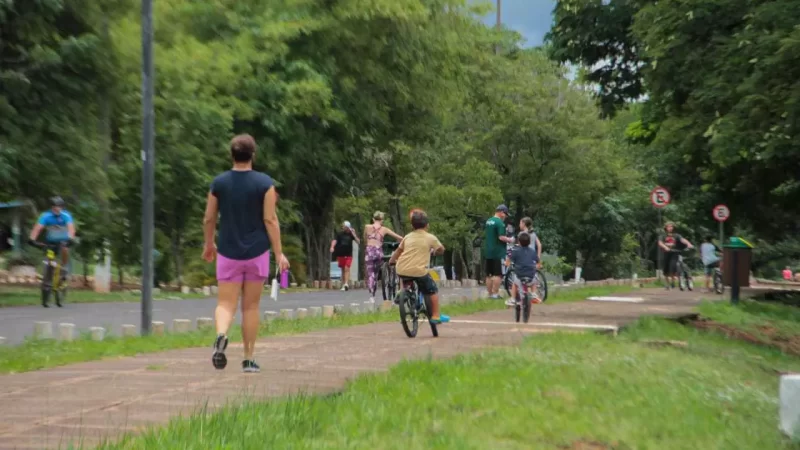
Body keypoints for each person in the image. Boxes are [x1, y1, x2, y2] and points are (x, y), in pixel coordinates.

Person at [202, 134, 290, 374]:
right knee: (250, 307)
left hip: (228, 252)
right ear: (253, 155)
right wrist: (279, 253)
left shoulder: (219, 183)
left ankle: (221, 335)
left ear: (232, 155)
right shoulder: (264, 184)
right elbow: (270, 220)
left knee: (225, 304)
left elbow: (209, 217)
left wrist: (209, 244)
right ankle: (249, 359)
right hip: (256, 253)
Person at [388, 209, 449, 324]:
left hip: (402, 268)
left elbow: (398, 251)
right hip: (419, 271)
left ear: (412, 226)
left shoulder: (407, 237)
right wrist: (436, 252)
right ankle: (436, 315)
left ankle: (402, 292)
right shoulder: (430, 237)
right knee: (432, 290)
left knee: (405, 275)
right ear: (427, 225)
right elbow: (441, 249)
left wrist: (391, 261)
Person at [28, 196, 76, 307]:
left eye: (59, 207)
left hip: (63, 242)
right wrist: (32, 239)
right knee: (49, 264)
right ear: (52, 207)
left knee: (64, 248)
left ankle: (64, 269)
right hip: (51, 243)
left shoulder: (66, 216)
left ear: (62, 207)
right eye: (54, 206)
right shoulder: (46, 216)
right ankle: (46, 290)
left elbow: (71, 229)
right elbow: (37, 228)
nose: (56, 209)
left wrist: (70, 239)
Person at [364, 211, 403, 302]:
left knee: (371, 273)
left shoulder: (367, 227)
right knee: (377, 272)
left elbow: (365, 239)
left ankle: (372, 295)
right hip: (378, 251)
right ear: (382, 220)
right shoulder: (384, 229)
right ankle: (381, 276)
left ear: (373, 219)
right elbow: (398, 237)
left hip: (369, 251)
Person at [505, 217, 543, 307]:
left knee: (515, 282)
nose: (519, 225)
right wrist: (538, 258)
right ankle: (533, 293)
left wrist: (508, 260)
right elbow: (539, 245)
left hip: (521, 259)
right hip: (532, 260)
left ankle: (513, 299)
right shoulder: (533, 233)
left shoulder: (522, 234)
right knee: (533, 279)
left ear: (524, 224)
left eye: (520, 223)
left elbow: (515, 248)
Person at [483, 205, 512, 299]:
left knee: (489, 275)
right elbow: (501, 237)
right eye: (505, 214)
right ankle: (495, 294)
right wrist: (511, 240)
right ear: (501, 212)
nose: (505, 216)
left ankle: (490, 294)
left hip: (488, 251)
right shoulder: (500, 223)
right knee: (498, 274)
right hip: (498, 252)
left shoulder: (488, 221)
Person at [658, 222, 693, 289]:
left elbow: (682, 240)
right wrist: (665, 247)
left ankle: (673, 282)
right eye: (668, 226)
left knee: (673, 266)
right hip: (666, 253)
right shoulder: (663, 236)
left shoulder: (676, 235)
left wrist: (688, 243)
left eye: (671, 226)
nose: (670, 228)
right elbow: (660, 243)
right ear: (666, 228)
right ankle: (667, 284)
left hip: (675, 253)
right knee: (666, 270)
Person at [330, 221, 360, 291]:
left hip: (348, 254)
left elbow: (358, 241)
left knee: (347, 268)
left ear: (347, 227)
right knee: (343, 269)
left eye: (344, 226)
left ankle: (346, 283)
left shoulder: (351, 234)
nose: (343, 227)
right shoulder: (339, 234)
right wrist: (332, 247)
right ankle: (344, 284)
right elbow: (335, 240)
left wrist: (354, 234)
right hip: (340, 254)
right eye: (343, 226)